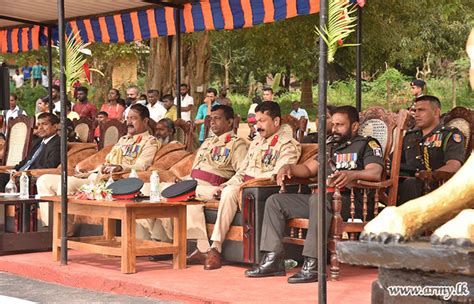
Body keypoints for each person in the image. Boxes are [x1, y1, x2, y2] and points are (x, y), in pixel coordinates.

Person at [245, 105, 384, 283]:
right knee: (275, 201)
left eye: (340, 125)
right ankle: (273, 260)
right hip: (322, 201)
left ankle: (313, 264)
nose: (334, 129)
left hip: (350, 203)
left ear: (355, 126)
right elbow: (307, 169)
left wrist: (353, 174)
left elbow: (375, 173)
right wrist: (288, 168)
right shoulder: (330, 145)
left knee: (318, 200)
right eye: (333, 124)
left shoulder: (367, 144)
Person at [137, 105, 248, 263]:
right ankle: (161, 241)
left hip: (212, 187)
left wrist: (225, 186)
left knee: (184, 195)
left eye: (217, 118)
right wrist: (182, 179)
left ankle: (202, 248)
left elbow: (242, 172)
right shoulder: (208, 143)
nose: (213, 122)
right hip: (193, 183)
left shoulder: (237, 144)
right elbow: (196, 169)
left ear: (230, 122)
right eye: (211, 119)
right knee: (163, 190)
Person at [203, 102, 301, 270]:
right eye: (257, 121)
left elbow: (278, 175)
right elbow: (241, 172)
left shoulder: (287, 144)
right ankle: (213, 248)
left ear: (276, 121)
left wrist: (243, 185)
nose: (258, 126)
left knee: (233, 191)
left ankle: (215, 249)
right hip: (244, 188)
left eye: (262, 121)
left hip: (264, 191)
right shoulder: (256, 143)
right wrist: (227, 184)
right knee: (226, 190)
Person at [37, 104, 161, 197]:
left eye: (133, 118)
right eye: (127, 118)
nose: (129, 122)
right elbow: (108, 159)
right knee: (44, 180)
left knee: (66, 185)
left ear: (145, 121)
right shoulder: (123, 139)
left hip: (114, 180)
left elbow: (142, 164)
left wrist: (120, 167)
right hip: (96, 176)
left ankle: (67, 230)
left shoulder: (149, 141)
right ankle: (51, 226)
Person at [398, 95, 465, 205]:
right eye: (415, 110)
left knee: (410, 184)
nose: (417, 114)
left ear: (436, 112)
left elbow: (454, 165)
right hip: (405, 182)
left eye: (421, 110)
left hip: (436, 185)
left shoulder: (449, 135)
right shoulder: (410, 136)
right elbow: (394, 162)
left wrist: (432, 175)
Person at [0, 113, 61, 225]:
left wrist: (22, 172)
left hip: (31, 176)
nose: (40, 128)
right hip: (20, 173)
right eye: (38, 125)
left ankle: (3, 223)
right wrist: (12, 169)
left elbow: (50, 165)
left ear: (56, 126)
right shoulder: (38, 142)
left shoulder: (57, 143)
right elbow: (26, 161)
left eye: (44, 124)